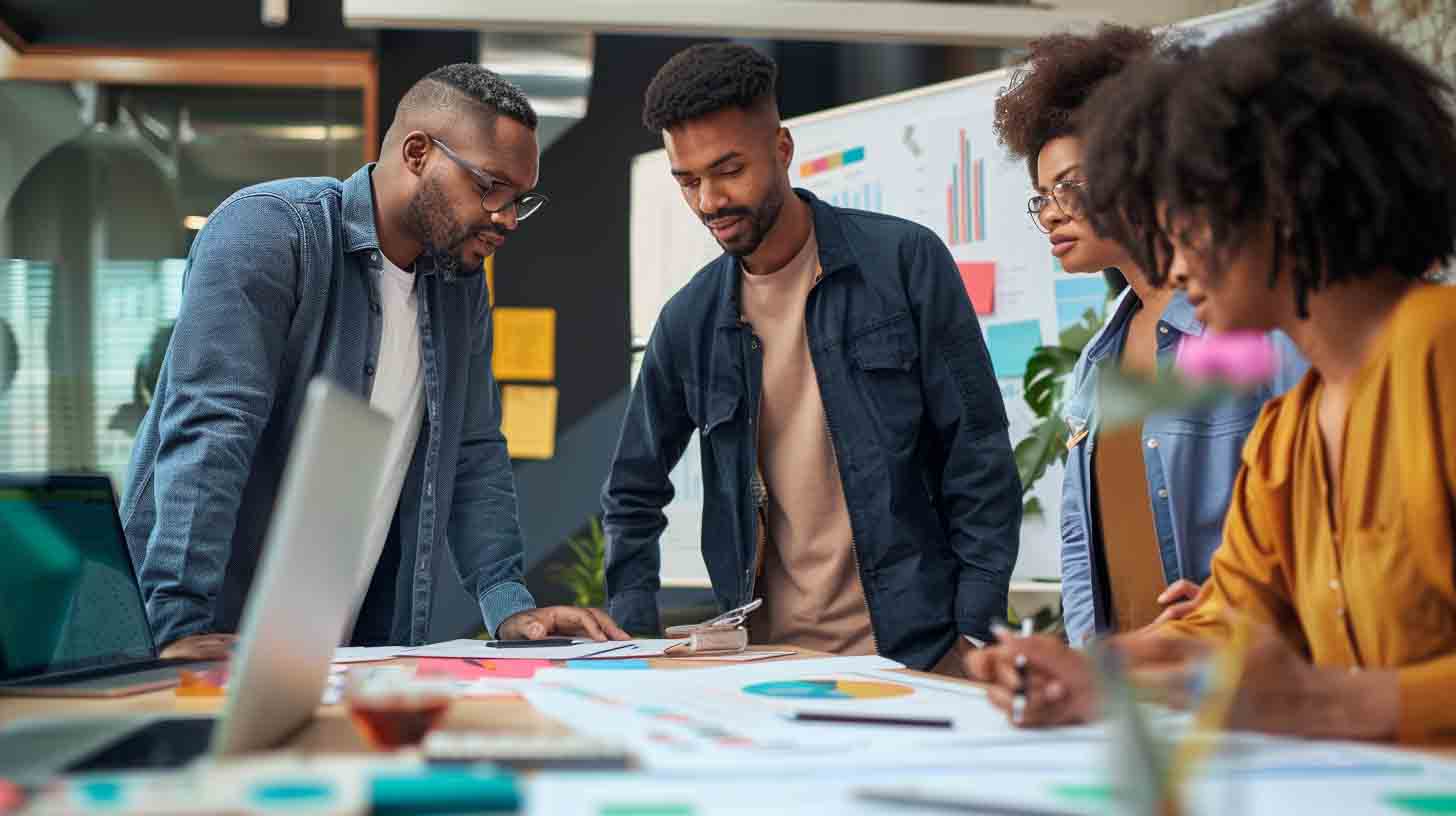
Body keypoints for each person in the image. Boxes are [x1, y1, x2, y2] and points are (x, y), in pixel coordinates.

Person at [967, 5, 1456, 744]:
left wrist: (1327, 703)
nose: (1171, 246)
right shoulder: (1289, 431)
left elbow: (1293, 680)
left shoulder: (1439, 355)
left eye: (1185, 211)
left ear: (1283, 200)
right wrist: (1088, 673)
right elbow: (1227, 617)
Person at [123, 64, 629, 660]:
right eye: (490, 187)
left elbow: (473, 450)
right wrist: (177, 624)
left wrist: (509, 605)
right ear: (417, 152)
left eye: (519, 199)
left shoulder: (458, 290)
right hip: (206, 638)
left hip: (345, 650)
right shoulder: (270, 233)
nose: (507, 218)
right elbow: (212, 430)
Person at [602, 43, 1021, 672]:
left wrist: (974, 630)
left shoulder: (904, 264)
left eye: (728, 169)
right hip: (768, 669)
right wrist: (634, 638)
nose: (709, 200)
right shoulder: (688, 322)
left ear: (782, 149)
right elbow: (632, 491)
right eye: (687, 180)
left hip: (920, 654)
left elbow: (979, 450)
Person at [991, 25, 1305, 645]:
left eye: (1070, 186)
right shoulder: (1099, 355)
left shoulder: (1245, 331)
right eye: (1040, 197)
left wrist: (1234, 605)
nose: (1052, 211)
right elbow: (1082, 538)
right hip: (1137, 691)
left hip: (1238, 670)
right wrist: (1092, 667)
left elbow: (1307, 507)